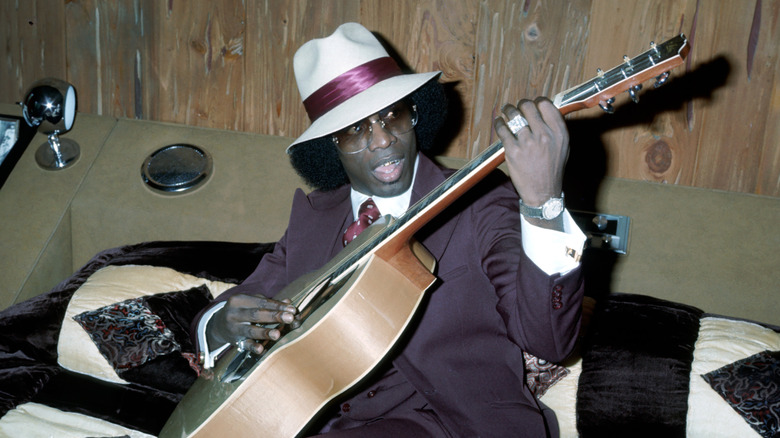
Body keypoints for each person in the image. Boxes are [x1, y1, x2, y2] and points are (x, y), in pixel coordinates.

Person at [193, 22, 586, 437]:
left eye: (392, 114)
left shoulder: (480, 202)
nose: (382, 140)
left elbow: (550, 341)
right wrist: (219, 326)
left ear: (415, 112)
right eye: (354, 129)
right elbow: (234, 306)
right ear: (329, 146)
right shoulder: (313, 219)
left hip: (457, 427)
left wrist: (544, 205)